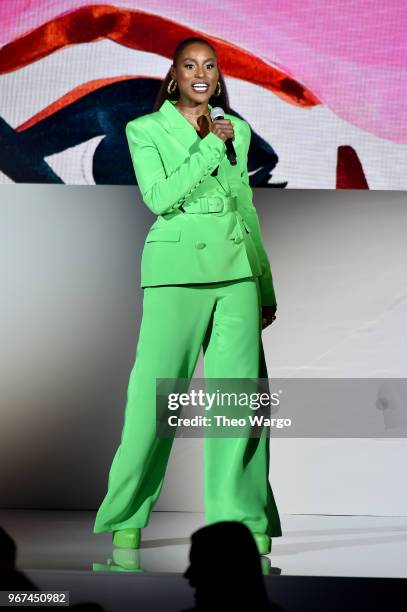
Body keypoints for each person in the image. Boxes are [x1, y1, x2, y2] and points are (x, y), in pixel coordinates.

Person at [93, 36, 282, 555]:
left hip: (237, 271)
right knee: (153, 399)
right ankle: (126, 514)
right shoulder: (144, 129)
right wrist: (206, 148)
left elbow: (244, 205)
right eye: (190, 65)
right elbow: (159, 197)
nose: (202, 72)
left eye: (211, 66)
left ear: (219, 77)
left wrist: (263, 280)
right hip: (175, 268)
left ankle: (241, 519)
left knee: (239, 403)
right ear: (174, 75)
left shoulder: (237, 128)